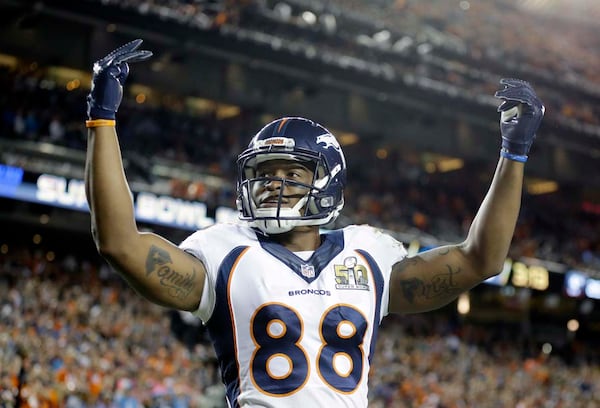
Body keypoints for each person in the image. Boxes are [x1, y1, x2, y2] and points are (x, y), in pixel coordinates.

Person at [84, 39, 545, 407]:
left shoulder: (368, 254)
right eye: (263, 174)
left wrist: (514, 154)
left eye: (290, 173)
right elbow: (120, 243)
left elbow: (481, 258)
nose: (272, 185)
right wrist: (102, 122)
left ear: (327, 182)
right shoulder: (224, 251)